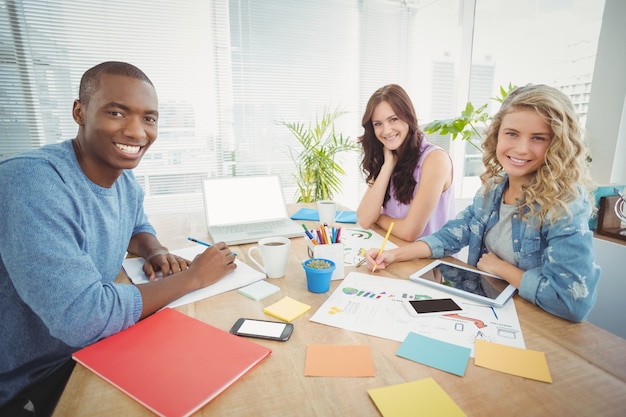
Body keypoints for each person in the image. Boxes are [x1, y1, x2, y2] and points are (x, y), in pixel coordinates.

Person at [0, 61, 237, 416]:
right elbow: (84, 318)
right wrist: (194, 278)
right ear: (79, 112)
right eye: (116, 112)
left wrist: (153, 248)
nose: (136, 131)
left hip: (96, 348)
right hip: (34, 377)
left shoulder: (123, 179)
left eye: (149, 118)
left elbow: (134, 224)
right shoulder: (32, 183)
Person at [365, 84, 600, 323]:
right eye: (512, 134)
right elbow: (448, 237)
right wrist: (393, 256)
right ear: (497, 134)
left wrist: (503, 269)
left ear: (557, 144)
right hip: (490, 311)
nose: (521, 148)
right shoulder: (494, 189)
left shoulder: (567, 203)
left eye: (538, 138)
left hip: (537, 326)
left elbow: (571, 301)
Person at [356, 84, 456, 241]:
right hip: (395, 254)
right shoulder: (389, 156)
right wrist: (388, 165)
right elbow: (364, 218)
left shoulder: (436, 160)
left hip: (431, 263)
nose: (386, 130)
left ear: (408, 117)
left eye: (393, 119)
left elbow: (410, 232)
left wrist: (379, 217)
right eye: (378, 124)